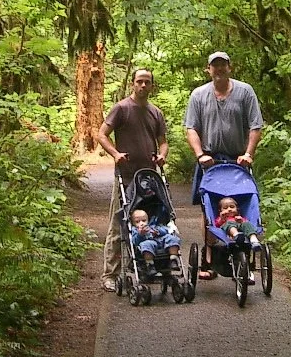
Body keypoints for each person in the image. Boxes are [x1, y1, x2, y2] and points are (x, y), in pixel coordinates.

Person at [184, 50, 264, 279]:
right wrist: (200, 154)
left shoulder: (245, 91)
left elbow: (255, 126)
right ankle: (208, 259)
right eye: (214, 65)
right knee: (209, 208)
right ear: (208, 69)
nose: (219, 69)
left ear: (230, 67)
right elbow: (191, 128)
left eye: (223, 65)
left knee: (242, 205)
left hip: (238, 160)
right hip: (209, 161)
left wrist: (248, 154)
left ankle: (245, 258)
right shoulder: (199, 95)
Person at [97, 68, 169, 292]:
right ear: (132, 84)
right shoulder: (121, 108)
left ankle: (145, 265)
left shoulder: (156, 112)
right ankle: (110, 274)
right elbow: (101, 134)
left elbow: (162, 141)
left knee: (149, 223)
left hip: (148, 179)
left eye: (147, 82)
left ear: (152, 86)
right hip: (126, 177)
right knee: (118, 225)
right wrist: (115, 154)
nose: (143, 85)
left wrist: (162, 155)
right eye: (139, 81)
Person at [129, 209, 181, 279]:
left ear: (148, 220)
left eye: (144, 220)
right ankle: (150, 264)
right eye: (137, 222)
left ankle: (173, 259)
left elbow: (166, 229)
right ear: (133, 223)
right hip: (147, 243)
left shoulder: (153, 225)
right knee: (146, 244)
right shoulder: (135, 230)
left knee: (172, 238)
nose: (141, 223)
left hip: (161, 241)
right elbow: (134, 241)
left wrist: (158, 231)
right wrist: (140, 234)